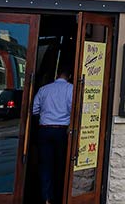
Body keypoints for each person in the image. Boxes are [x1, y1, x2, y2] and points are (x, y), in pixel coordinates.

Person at [32, 66, 74, 204]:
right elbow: (74, 109)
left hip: (44, 130)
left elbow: (34, 110)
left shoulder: (44, 89)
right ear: (70, 76)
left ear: (57, 75)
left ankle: (46, 198)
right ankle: (60, 196)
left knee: (45, 164)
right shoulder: (71, 89)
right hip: (62, 131)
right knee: (61, 164)